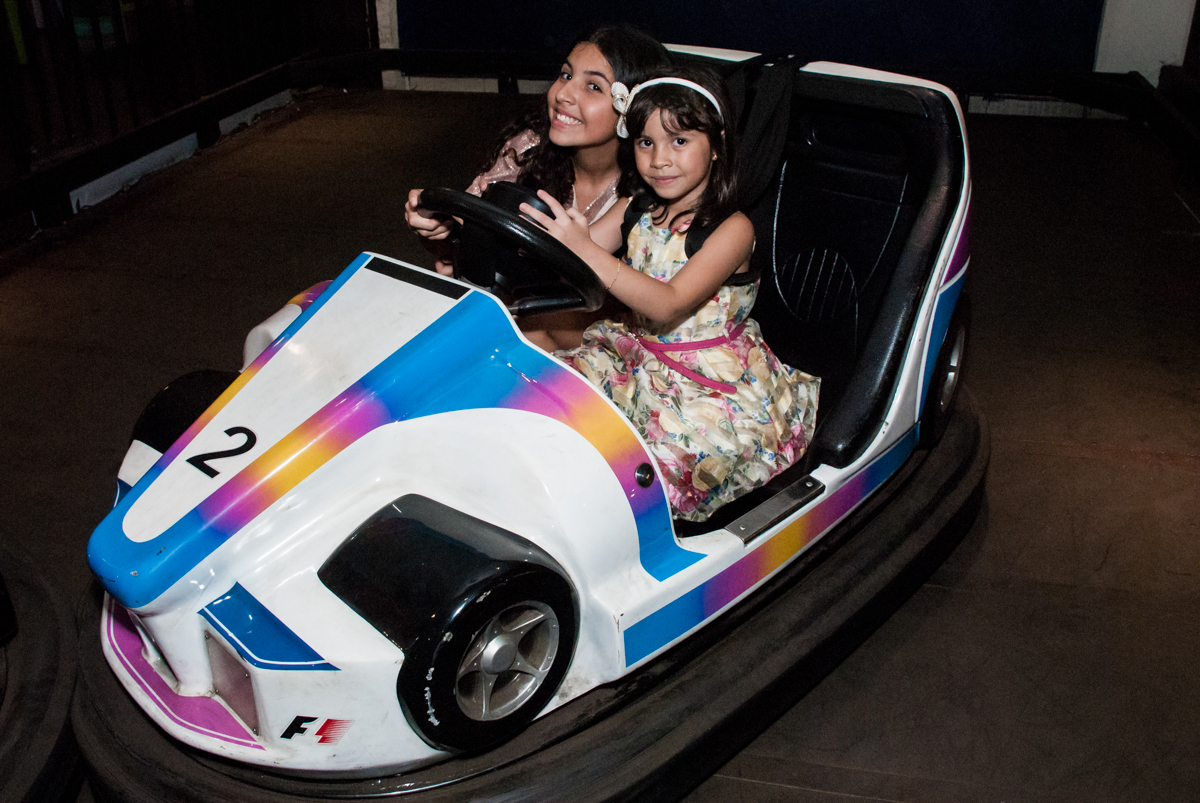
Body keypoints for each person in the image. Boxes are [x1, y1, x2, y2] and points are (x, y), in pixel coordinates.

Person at [518, 67, 820, 522]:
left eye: (679, 141)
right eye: (645, 142)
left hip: (706, 380)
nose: (659, 159)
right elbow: (583, 253)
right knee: (550, 399)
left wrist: (587, 252)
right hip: (639, 354)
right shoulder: (638, 205)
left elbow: (668, 301)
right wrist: (541, 237)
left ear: (716, 145)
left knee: (651, 468)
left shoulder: (731, 229)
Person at [403, 26, 671, 286]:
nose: (562, 94)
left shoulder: (655, 182)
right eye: (566, 75)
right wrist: (440, 224)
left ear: (636, 109)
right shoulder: (529, 148)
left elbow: (582, 273)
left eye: (594, 87)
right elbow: (454, 254)